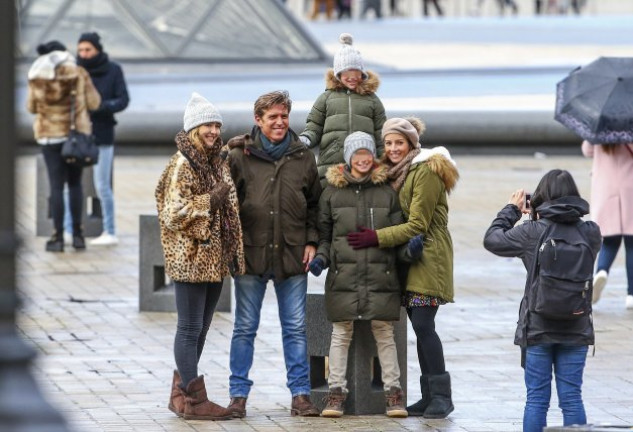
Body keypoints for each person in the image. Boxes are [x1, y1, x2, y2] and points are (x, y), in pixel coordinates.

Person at [346, 117, 459, 419]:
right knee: (419, 328)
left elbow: (418, 223)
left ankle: (442, 397)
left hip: (428, 257)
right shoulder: (397, 173)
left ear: (411, 144)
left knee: (424, 326)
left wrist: (375, 238)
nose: (394, 148)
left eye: (400, 143)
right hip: (407, 259)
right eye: (389, 143)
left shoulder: (426, 170)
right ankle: (428, 396)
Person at [224, 90, 322, 418]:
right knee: (244, 327)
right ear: (258, 120)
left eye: (284, 116)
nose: (280, 122)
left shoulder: (303, 155)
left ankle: (300, 395)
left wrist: (311, 241)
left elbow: (315, 205)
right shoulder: (239, 155)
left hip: (293, 255)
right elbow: (227, 206)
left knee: (295, 327)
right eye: (272, 117)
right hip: (250, 255)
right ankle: (238, 396)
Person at [483, 169, 601, 432]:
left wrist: (513, 210)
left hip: (538, 325)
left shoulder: (532, 232)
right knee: (572, 398)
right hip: (576, 325)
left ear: (540, 198)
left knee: (537, 400)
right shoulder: (591, 232)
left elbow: (492, 240)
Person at [308, 132, 415, 418]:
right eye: (357, 154)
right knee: (341, 333)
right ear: (348, 158)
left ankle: (394, 395)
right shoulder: (331, 192)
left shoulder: (386, 192)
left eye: (367, 153)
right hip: (344, 276)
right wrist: (321, 257)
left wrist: (406, 249)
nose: (363, 159)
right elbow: (326, 236)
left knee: (384, 332)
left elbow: (397, 234)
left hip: (380, 276)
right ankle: (336, 394)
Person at [155, 92, 244, 421]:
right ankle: (193, 400)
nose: (213, 130)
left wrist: (231, 149)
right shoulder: (183, 164)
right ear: (194, 128)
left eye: (217, 124)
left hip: (214, 258)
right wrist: (211, 200)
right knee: (190, 328)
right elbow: (174, 213)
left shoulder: (212, 160)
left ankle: (182, 394)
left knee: (202, 329)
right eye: (208, 124)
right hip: (190, 257)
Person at [27, 40, 101, 252]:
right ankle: (78, 236)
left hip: (49, 138)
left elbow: (31, 107)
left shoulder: (36, 76)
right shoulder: (78, 72)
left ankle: (57, 237)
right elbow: (94, 102)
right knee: (76, 185)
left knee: (56, 186)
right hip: (74, 138)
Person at [64, 32, 130, 246]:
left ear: (97, 49)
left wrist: (102, 107)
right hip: (77, 135)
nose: (84, 54)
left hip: (102, 133)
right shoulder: (74, 70)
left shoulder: (113, 70)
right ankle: (68, 229)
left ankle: (110, 230)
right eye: (81, 49)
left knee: (102, 185)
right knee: (70, 183)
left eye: (88, 50)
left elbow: (123, 100)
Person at [299, 33, 386, 188]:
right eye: (346, 72)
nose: (351, 77)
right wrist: (306, 138)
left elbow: (380, 134)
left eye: (356, 72)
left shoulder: (372, 100)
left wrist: (383, 162)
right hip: (330, 167)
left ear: (362, 73)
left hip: (362, 168)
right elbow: (314, 126)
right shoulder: (326, 98)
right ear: (338, 74)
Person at [581, 140, 633, 309]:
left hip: (605, 190)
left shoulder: (599, 133)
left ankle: (601, 271)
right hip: (629, 188)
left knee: (610, 240)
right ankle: (631, 295)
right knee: (631, 245)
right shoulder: (629, 131)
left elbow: (587, 150)